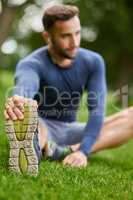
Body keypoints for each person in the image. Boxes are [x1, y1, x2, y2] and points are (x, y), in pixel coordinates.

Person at [4, 4, 133, 176]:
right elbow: (25, 86)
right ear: (47, 36)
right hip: (42, 124)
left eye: (77, 33)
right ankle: (35, 144)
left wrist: (83, 151)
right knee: (35, 124)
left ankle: (63, 151)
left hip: (71, 130)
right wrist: (19, 99)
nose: (75, 42)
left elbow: (97, 111)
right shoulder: (31, 63)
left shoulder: (93, 61)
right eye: (66, 36)